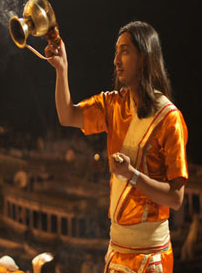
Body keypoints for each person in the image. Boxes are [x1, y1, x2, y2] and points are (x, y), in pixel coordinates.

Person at [44, 21, 188, 273]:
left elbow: (176, 198)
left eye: (125, 51)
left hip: (150, 256)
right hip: (116, 250)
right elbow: (68, 116)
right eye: (116, 51)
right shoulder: (113, 104)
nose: (116, 60)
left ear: (144, 57)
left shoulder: (169, 118)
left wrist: (132, 175)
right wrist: (61, 70)